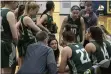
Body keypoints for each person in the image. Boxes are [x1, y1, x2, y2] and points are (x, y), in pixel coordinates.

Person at [17, 2, 41, 68]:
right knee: (29, 61)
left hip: (23, 40)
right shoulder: (27, 18)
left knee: (23, 60)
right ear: (31, 10)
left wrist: (19, 33)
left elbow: (16, 26)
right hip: (28, 41)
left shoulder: (22, 17)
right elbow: (38, 29)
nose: (36, 13)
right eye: (36, 12)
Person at [1, 1, 18, 74]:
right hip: (7, 44)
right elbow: (15, 36)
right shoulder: (10, 13)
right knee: (8, 71)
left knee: (2, 69)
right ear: (13, 2)